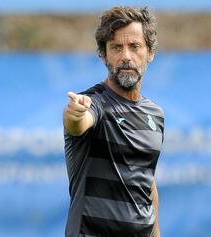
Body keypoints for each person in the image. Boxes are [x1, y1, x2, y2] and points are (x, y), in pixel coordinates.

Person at [63, 6, 164, 237]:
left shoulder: (155, 114)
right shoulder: (94, 103)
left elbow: (147, 180)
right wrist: (76, 114)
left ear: (150, 53)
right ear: (104, 54)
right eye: (116, 47)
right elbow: (77, 122)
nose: (126, 56)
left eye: (134, 46)